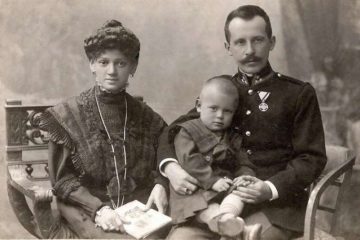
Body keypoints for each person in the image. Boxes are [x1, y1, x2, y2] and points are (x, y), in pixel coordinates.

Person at [157, 5, 327, 240]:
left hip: (276, 208)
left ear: (272, 42)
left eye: (257, 40)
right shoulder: (221, 91)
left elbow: (311, 158)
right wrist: (170, 168)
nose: (250, 51)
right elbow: (174, 131)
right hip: (216, 199)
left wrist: (269, 189)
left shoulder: (297, 93)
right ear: (228, 47)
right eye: (240, 42)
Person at [40, 20, 169, 238]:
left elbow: (165, 159)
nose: (111, 71)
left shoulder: (148, 117)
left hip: (136, 209)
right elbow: (62, 181)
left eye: (120, 63)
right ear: (92, 64)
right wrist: (99, 209)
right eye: (103, 62)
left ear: (133, 67)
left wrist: (161, 184)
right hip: (85, 208)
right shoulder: (67, 115)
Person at [170, 76, 261, 239]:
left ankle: (230, 221)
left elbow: (242, 160)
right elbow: (189, 160)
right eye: (213, 109)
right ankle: (238, 229)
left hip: (223, 189)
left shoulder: (232, 136)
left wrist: (245, 176)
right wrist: (212, 181)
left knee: (238, 194)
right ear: (199, 106)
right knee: (205, 206)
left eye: (227, 111)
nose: (220, 116)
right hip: (195, 187)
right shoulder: (187, 131)